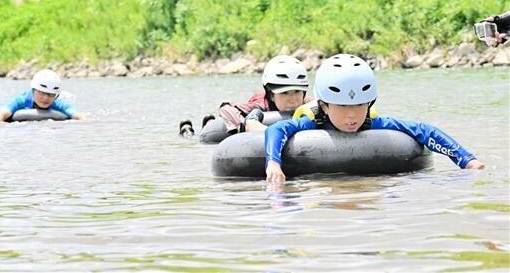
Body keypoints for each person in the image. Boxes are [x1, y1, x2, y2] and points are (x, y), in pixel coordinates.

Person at [264, 54, 485, 182]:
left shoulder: (372, 122)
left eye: (360, 105)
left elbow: (424, 131)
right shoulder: (312, 120)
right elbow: (277, 130)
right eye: (342, 106)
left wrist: (467, 160)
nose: (352, 115)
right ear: (324, 105)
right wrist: (273, 163)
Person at [179, 55, 313, 136]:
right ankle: (194, 127)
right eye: (284, 93)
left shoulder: (307, 103)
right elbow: (226, 107)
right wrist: (244, 125)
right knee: (201, 133)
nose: (293, 99)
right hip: (216, 131)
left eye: (297, 91)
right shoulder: (259, 105)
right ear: (271, 95)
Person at [0, 69, 85, 122]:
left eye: (51, 95)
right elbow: (2, 114)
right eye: (42, 93)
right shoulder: (20, 101)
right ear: (33, 90)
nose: (46, 98)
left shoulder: (58, 103)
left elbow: (77, 115)